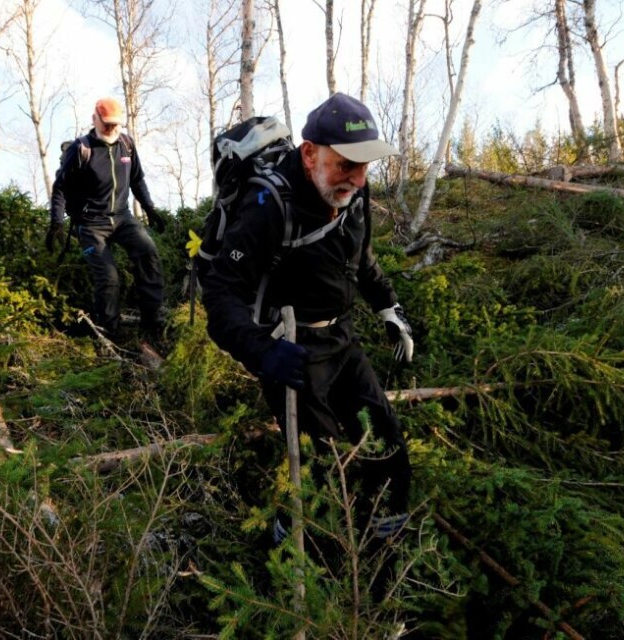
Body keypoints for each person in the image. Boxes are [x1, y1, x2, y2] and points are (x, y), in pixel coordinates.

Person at [200, 92, 414, 544]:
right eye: (345, 166)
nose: (356, 179)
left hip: (342, 338)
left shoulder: (354, 191)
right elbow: (221, 295)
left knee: (391, 452)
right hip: (290, 348)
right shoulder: (267, 205)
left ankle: (383, 559)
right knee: (325, 470)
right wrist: (263, 353)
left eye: (364, 166)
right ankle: (288, 553)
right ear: (310, 153)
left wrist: (389, 308)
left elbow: (362, 257)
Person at [47, 97, 168, 344]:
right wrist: (56, 223)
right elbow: (60, 187)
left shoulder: (127, 145)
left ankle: (152, 322)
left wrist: (150, 209)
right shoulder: (81, 149)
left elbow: (137, 180)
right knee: (109, 278)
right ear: (95, 119)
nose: (112, 129)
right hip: (91, 224)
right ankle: (110, 335)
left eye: (115, 124)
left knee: (148, 252)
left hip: (123, 218)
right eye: (107, 124)